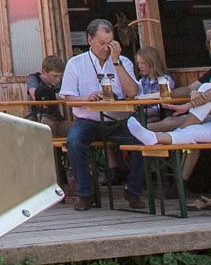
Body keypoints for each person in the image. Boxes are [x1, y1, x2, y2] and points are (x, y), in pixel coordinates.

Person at [58, 18, 147, 210]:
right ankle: (84, 192)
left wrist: (116, 62)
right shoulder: (76, 63)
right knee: (74, 141)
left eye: (110, 43)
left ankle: (133, 189)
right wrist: (86, 99)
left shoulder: (123, 62)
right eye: (102, 43)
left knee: (144, 140)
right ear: (90, 40)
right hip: (89, 120)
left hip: (117, 120)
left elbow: (132, 92)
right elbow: (68, 98)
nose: (106, 48)